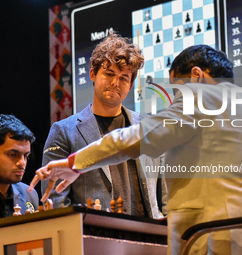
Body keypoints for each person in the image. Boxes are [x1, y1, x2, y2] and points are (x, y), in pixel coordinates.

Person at [30, 44, 242, 254]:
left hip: (215, 239)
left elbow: (141, 136)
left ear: (196, 75)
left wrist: (76, 163)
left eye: (176, 89)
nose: (176, 98)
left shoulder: (202, 97)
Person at [41, 33, 166, 218]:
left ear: (130, 85)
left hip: (148, 239)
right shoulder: (64, 132)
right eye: (109, 74)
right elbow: (57, 205)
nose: (115, 83)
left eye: (124, 78)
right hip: (95, 242)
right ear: (93, 73)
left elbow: (165, 197)